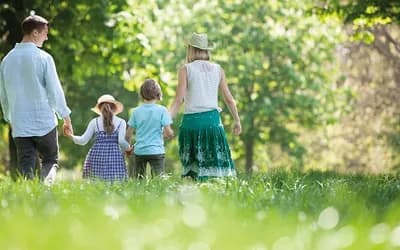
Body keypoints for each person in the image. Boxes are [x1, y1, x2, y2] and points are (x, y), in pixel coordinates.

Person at [0, 14, 73, 182]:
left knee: (25, 166)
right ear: (34, 33)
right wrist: (66, 118)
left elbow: (3, 95)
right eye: (44, 33)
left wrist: (9, 117)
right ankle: (46, 189)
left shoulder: (6, 60)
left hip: (20, 124)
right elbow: (55, 91)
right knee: (50, 160)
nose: (46, 37)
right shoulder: (44, 58)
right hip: (44, 122)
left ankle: (29, 197)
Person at [169, 32, 241, 181]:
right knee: (216, 174)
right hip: (212, 123)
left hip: (191, 124)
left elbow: (178, 100)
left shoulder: (185, 69)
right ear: (207, 49)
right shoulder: (218, 69)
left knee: (193, 176)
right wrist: (237, 120)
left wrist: (166, 122)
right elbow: (228, 99)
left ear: (190, 49)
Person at [65, 94, 131, 182]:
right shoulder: (121, 122)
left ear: (99, 108)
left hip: (97, 157)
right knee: (116, 183)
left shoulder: (94, 122)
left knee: (96, 184)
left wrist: (70, 136)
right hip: (115, 158)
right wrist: (129, 148)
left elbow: (83, 141)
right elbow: (121, 142)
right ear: (114, 107)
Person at [126, 79, 174, 179]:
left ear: (142, 94)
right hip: (156, 151)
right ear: (158, 93)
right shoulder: (162, 110)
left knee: (139, 179)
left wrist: (128, 148)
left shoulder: (136, 111)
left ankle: (139, 193)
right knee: (158, 179)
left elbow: (128, 134)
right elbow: (168, 132)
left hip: (140, 151)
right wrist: (169, 135)